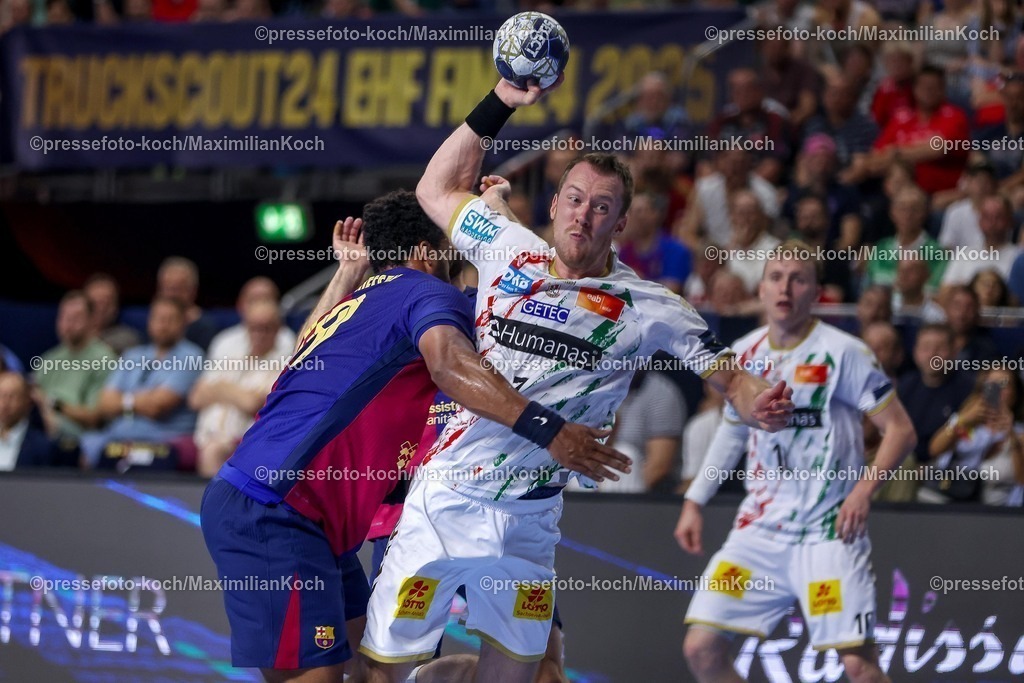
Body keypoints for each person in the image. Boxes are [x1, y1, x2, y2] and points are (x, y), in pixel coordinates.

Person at [359, 78, 794, 683]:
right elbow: (435, 187)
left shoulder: (651, 307)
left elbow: (729, 378)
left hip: (531, 525)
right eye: (574, 198)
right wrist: (503, 100)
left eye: (601, 207)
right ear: (556, 201)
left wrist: (758, 401)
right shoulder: (506, 248)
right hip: (446, 502)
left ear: (619, 223)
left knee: (525, 676)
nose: (583, 215)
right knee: (382, 670)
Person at [200, 194, 626, 683]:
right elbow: (449, 363)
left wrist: (346, 275)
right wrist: (550, 430)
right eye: (449, 246)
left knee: (370, 670)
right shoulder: (428, 293)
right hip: (277, 512)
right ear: (426, 253)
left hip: (322, 525)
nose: (456, 257)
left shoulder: (361, 302)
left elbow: (304, 352)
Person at [675, 239, 918, 683]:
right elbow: (733, 428)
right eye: (775, 277)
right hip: (759, 535)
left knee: (859, 668)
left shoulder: (844, 353)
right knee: (701, 648)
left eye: (798, 278)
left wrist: (864, 491)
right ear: (762, 289)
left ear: (816, 292)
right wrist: (695, 500)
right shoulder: (744, 355)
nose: (785, 287)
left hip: (829, 536)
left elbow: (900, 430)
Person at [78, 297, 204, 468]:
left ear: (183, 323)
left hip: (162, 439)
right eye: (158, 319)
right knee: (85, 445)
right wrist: (138, 401)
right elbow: (105, 404)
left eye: (170, 320)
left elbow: (157, 407)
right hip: (117, 435)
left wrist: (122, 401)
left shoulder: (191, 356)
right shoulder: (133, 355)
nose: (163, 325)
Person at [189, 298, 285, 478]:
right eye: (254, 328)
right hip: (205, 437)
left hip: (242, 442)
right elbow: (196, 398)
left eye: (266, 328)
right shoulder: (230, 355)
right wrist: (235, 394)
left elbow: (252, 404)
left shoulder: (283, 363)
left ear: (278, 329)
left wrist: (220, 388)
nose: (259, 334)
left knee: (213, 451)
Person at [32, 291, 117, 442]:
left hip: (78, 433)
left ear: (92, 320)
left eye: (76, 318)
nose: (68, 323)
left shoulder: (104, 359)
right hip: (40, 424)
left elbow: (94, 418)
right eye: (64, 317)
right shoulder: (49, 358)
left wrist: (53, 404)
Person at [0, 372, 58, 471]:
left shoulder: (42, 446)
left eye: (12, 396)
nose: (5, 403)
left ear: (27, 401)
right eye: (1, 396)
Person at [83, 273, 141, 355]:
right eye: (94, 303)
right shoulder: (72, 338)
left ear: (116, 306)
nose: (101, 309)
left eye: (107, 303)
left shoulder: (127, 339)